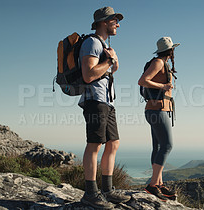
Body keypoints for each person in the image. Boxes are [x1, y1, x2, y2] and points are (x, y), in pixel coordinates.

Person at [79, 6, 131, 209]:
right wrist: (109, 60)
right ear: (103, 22)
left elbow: (112, 69)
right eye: (114, 20)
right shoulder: (91, 42)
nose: (117, 24)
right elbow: (88, 75)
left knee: (113, 143)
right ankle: (90, 194)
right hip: (95, 100)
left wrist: (112, 61)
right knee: (95, 144)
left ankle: (107, 190)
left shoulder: (103, 44)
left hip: (107, 101)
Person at [138, 37, 180, 201]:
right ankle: (153, 185)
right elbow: (142, 81)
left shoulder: (161, 63)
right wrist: (163, 86)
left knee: (157, 146)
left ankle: (159, 183)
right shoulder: (158, 63)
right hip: (157, 111)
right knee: (167, 145)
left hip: (154, 110)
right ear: (170, 51)